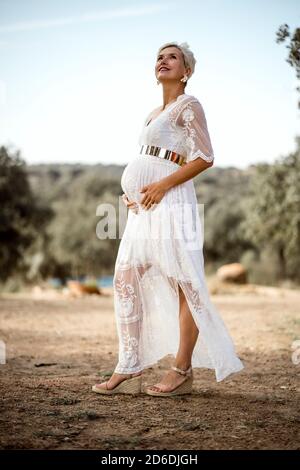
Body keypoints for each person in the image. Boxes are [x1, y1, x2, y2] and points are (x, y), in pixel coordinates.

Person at [92, 41, 244, 397]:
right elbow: (147, 159)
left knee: (184, 282)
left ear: (186, 70)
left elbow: (204, 156)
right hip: (144, 209)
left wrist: (159, 185)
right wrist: (136, 193)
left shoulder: (189, 106)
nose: (163, 60)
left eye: (172, 56)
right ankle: (129, 362)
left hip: (173, 201)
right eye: (159, 56)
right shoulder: (151, 114)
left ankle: (181, 369)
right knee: (125, 276)